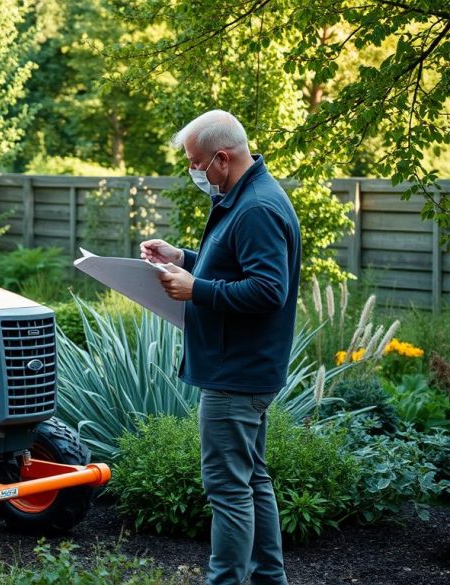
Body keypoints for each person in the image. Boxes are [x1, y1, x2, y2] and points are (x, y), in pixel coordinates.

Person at [140, 110, 300, 585]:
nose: (194, 172)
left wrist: (197, 289)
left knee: (229, 490)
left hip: (236, 373)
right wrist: (184, 258)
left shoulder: (256, 208)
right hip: (246, 368)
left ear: (222, 158)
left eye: (195, 163)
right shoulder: (250, 197)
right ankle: (268, 579)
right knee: (252, 481)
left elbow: (268, 290)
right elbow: (235, 266)